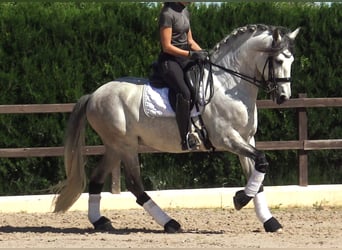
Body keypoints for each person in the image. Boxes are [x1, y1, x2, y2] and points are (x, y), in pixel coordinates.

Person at [157, 2, 208, 150]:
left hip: (184, 58)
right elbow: (167, 46)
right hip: (169, 61)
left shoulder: (185, 11)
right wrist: (190, 55)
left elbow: (190, 41)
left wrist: (205, 54)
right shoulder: (167, 14)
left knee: (200, 85)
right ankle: (185, 137)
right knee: (184, 92)